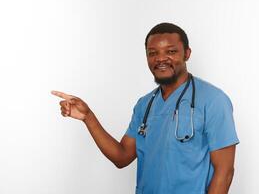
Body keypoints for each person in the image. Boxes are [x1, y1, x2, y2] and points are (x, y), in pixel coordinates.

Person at [51, 22, 239, 194]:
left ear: (187, 53)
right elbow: (122, 157)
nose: (161, 59)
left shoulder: (213, 100)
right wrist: (88, 117)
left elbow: (224, 172)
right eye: (153, 53)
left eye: (171, 51)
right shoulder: (145, 105)